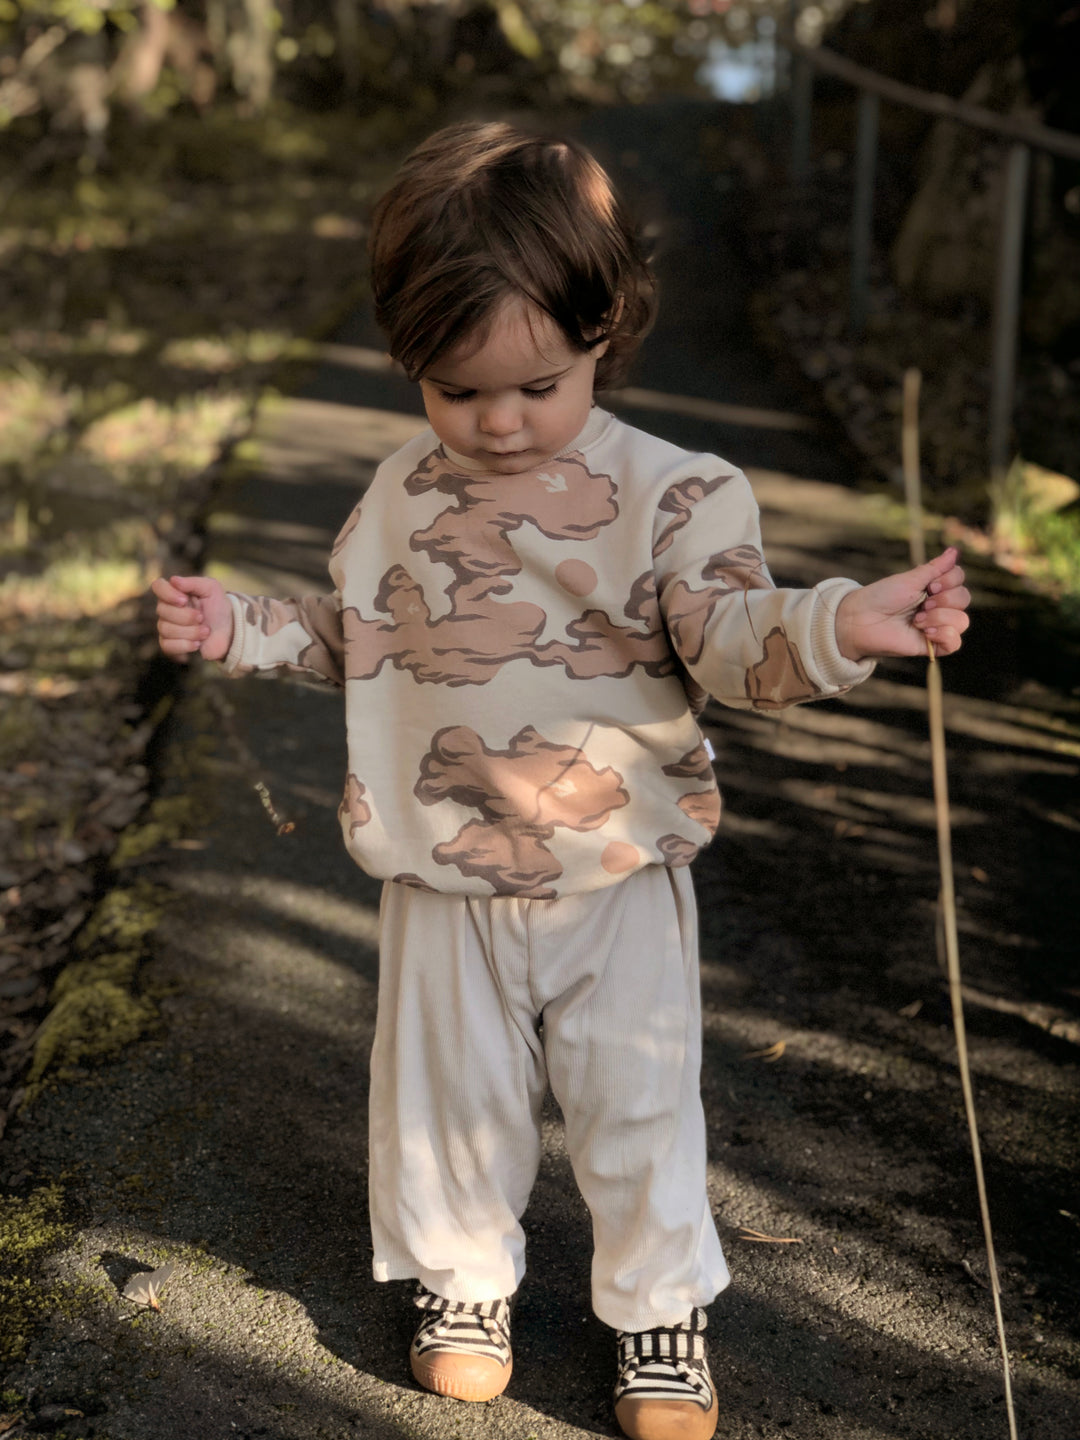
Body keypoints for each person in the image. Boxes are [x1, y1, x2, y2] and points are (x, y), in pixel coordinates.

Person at [151, 121, 970, 1440]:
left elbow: (733, 636)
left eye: (538, 384)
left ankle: (657, 1307)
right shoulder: (396, 493)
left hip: (618, 868)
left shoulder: (678, 494)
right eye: (456, 390)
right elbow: (357, 641)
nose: (500, 422)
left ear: (605, 332)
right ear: (411, 364)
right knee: (443, 1101)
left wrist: (845, 625)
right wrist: (235, 625)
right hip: (442, 867)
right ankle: (463, 1282)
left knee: (636, 1098)